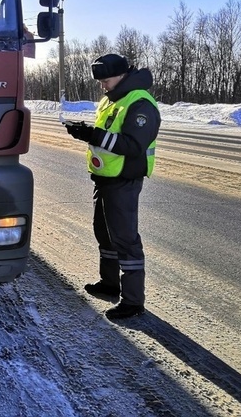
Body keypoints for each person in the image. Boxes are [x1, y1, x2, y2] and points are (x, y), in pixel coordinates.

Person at [64, 53, 161, 320]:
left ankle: (133, 302)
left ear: (121, 76)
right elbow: (108, 136)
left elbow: (132, 146)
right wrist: (86, 133)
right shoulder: (112, 100)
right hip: (105, 179)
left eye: (105, 80)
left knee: (125, 239)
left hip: (124, 180)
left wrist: (93, 135)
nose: (102, 85)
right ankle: (110, 285)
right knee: (104, 234)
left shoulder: (140, 103)